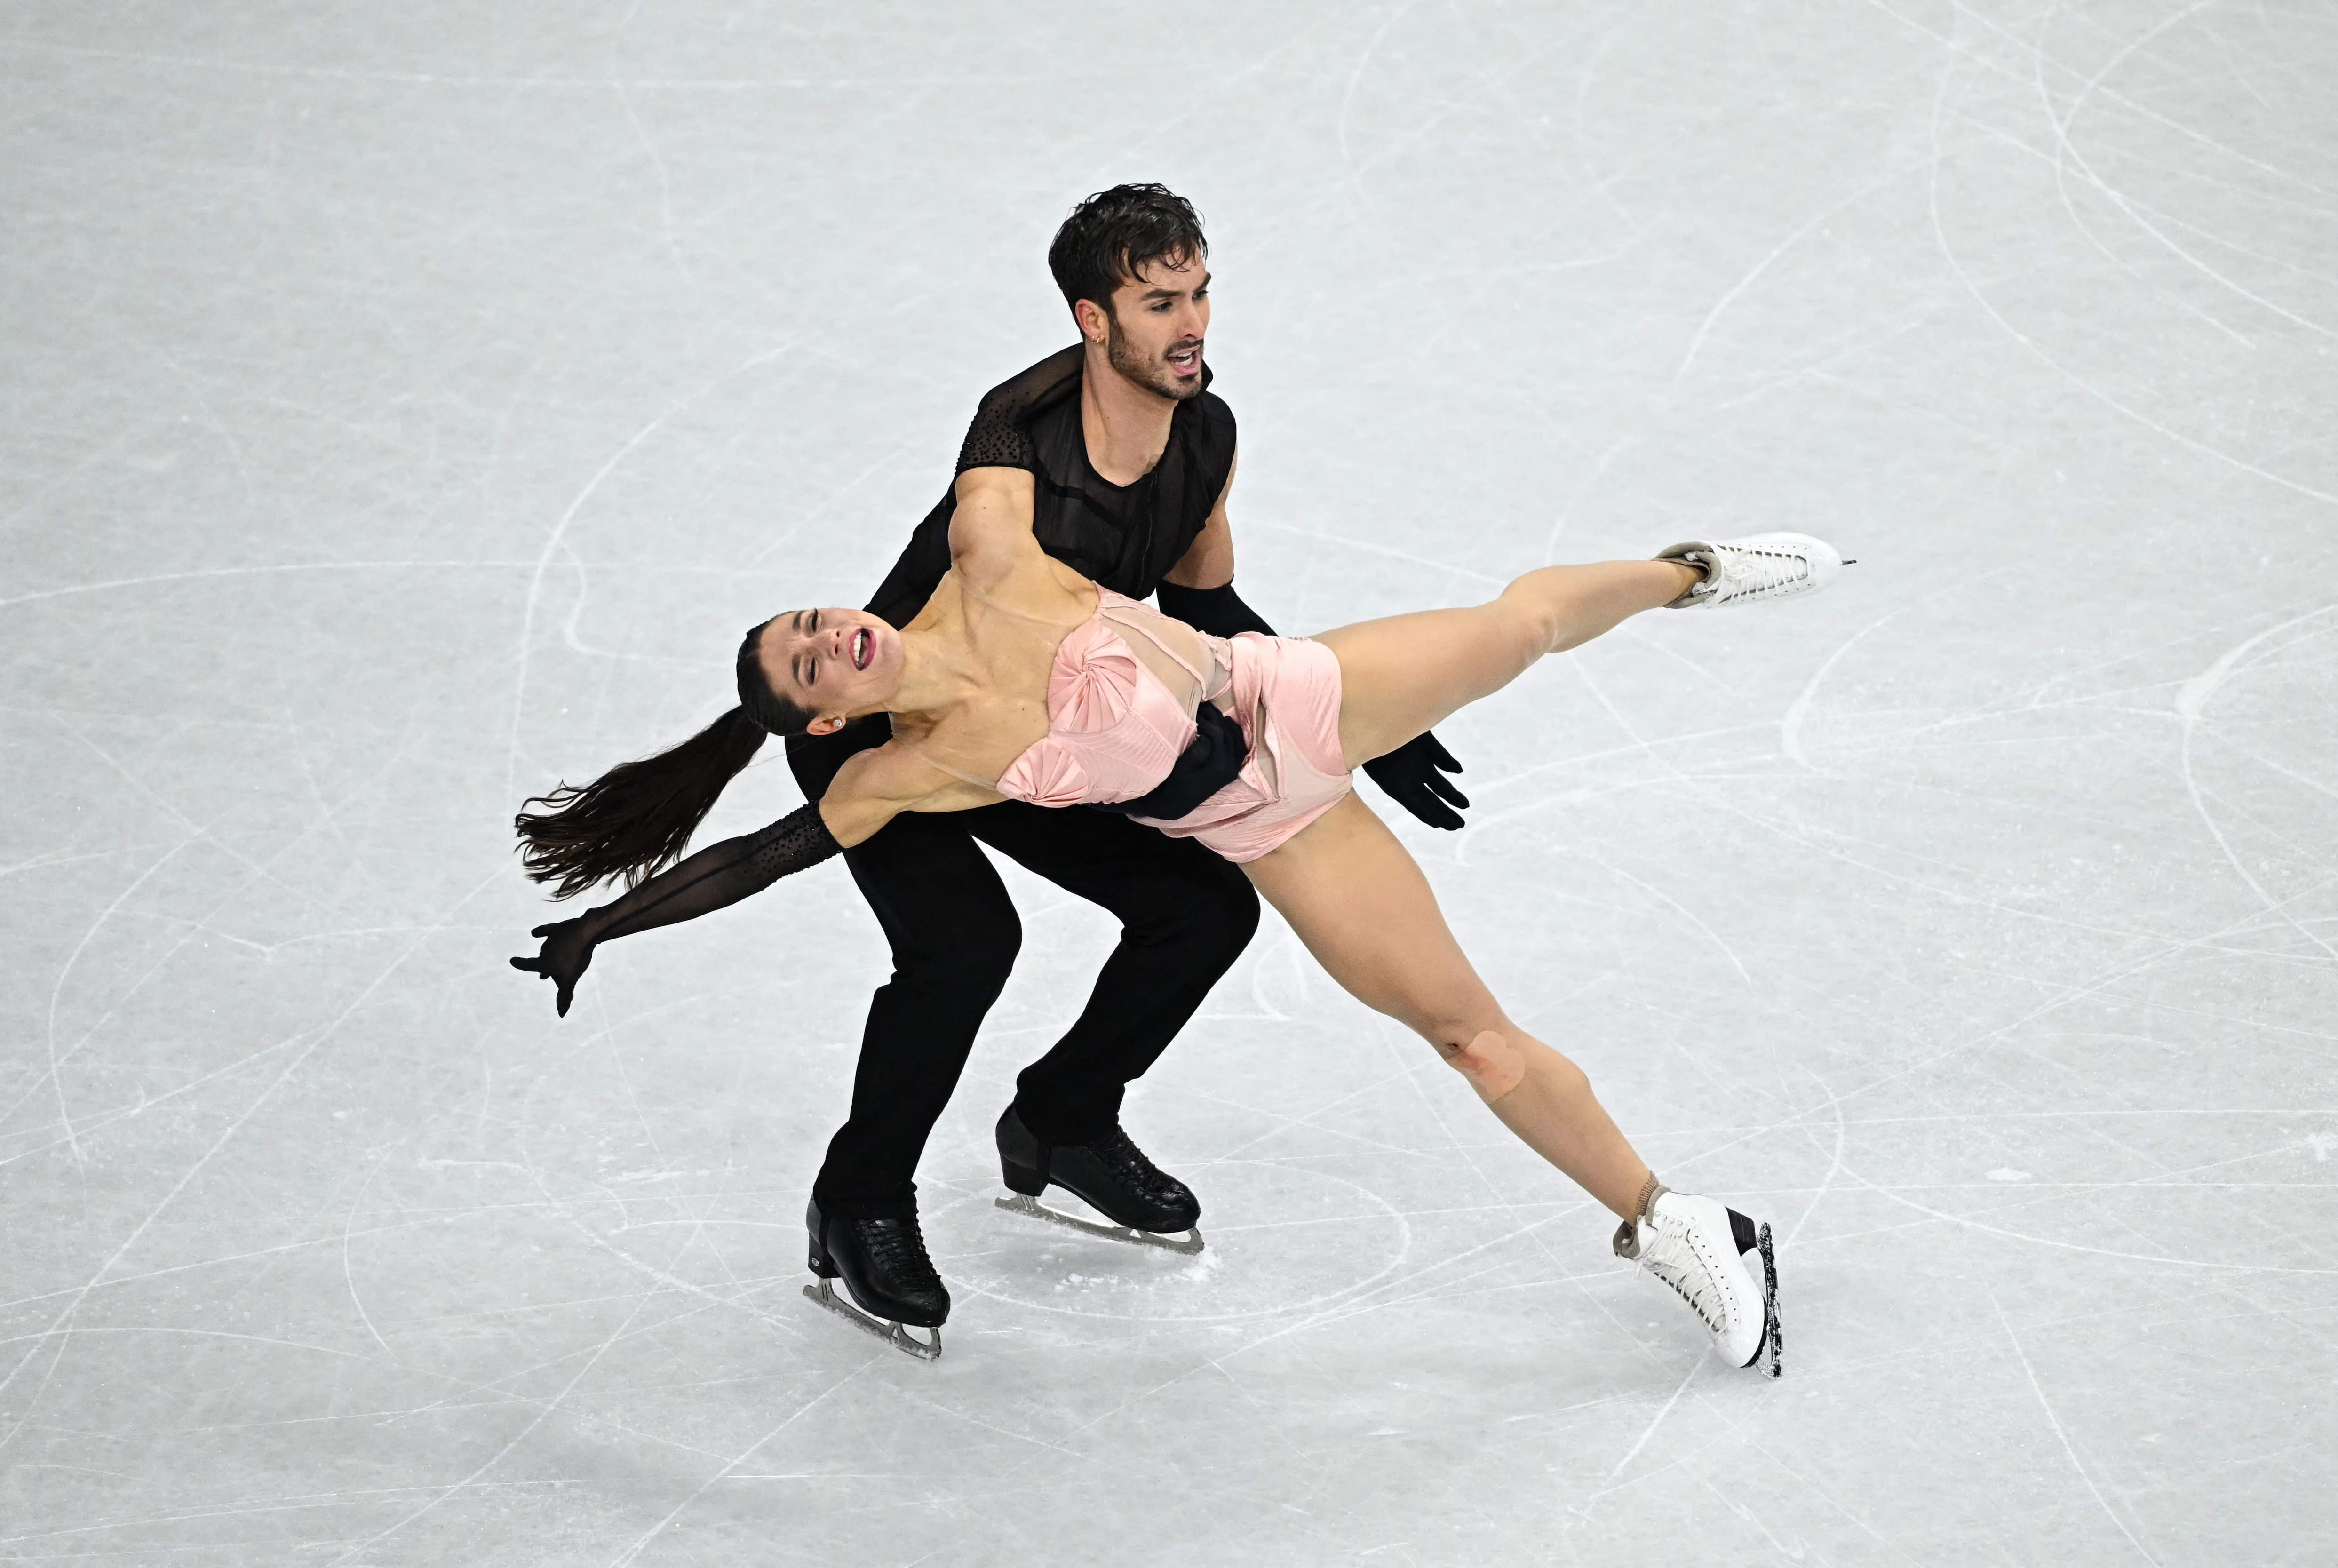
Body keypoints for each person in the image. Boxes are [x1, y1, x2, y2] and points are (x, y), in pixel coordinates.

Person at [515, 454, 1843, 1369]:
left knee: (1526, 625)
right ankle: (1676, 1222)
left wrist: (1138, 320)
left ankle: (1693, 571)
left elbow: (1024, 421)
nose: (829, 638)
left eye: (813, 618)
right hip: (1276, 831)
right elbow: (757, 855)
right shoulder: (902, 772)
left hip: (1302, 698)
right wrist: (599, 927)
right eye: (809, 665)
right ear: (824, 717)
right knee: (1470, 1038)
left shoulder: (987, 557)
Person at [509, 186, 1469, 1356]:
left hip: (1043, 736)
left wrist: (1373, 717)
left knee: (1203, 909)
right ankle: (859, 1199)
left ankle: (1064, 1116)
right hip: (886, 735)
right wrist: (606, 922)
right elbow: (1003, 420)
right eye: (1155, 303)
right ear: (1092, 321)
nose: (1191, 325)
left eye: (1197, 295)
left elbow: (1206, 609)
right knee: (964, 946)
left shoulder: (1204, 436)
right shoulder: (1018, 462)